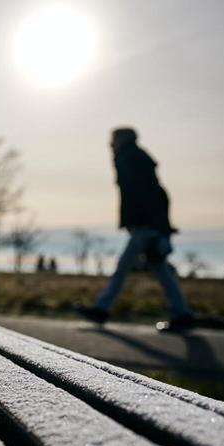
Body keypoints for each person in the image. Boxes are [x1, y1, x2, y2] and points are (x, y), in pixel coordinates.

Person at [76, 127, 195, 332]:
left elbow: (145, 195)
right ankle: (182, 313)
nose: (110, 144)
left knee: (123, 268)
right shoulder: (134, 158)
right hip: (145, 225)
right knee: (160, 269)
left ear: (121, 140)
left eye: (112, 139)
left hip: (144, 226)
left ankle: (101, 308)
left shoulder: (129, 159)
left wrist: (155, 227)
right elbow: (154, 194)